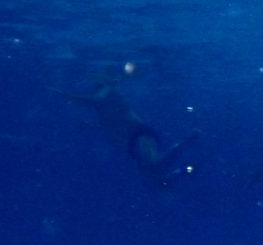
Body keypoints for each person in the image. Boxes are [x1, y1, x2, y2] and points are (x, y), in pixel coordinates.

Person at [55, 78, 198, 188]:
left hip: (140, 135)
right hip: (135, 140)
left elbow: (92, 102)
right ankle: (183, 168)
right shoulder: (106, 109)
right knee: (152, 177)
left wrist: (64, 95)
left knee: (153, 167)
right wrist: (90, 127)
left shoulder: (109, 100)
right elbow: (108, 123)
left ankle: (186, 145)